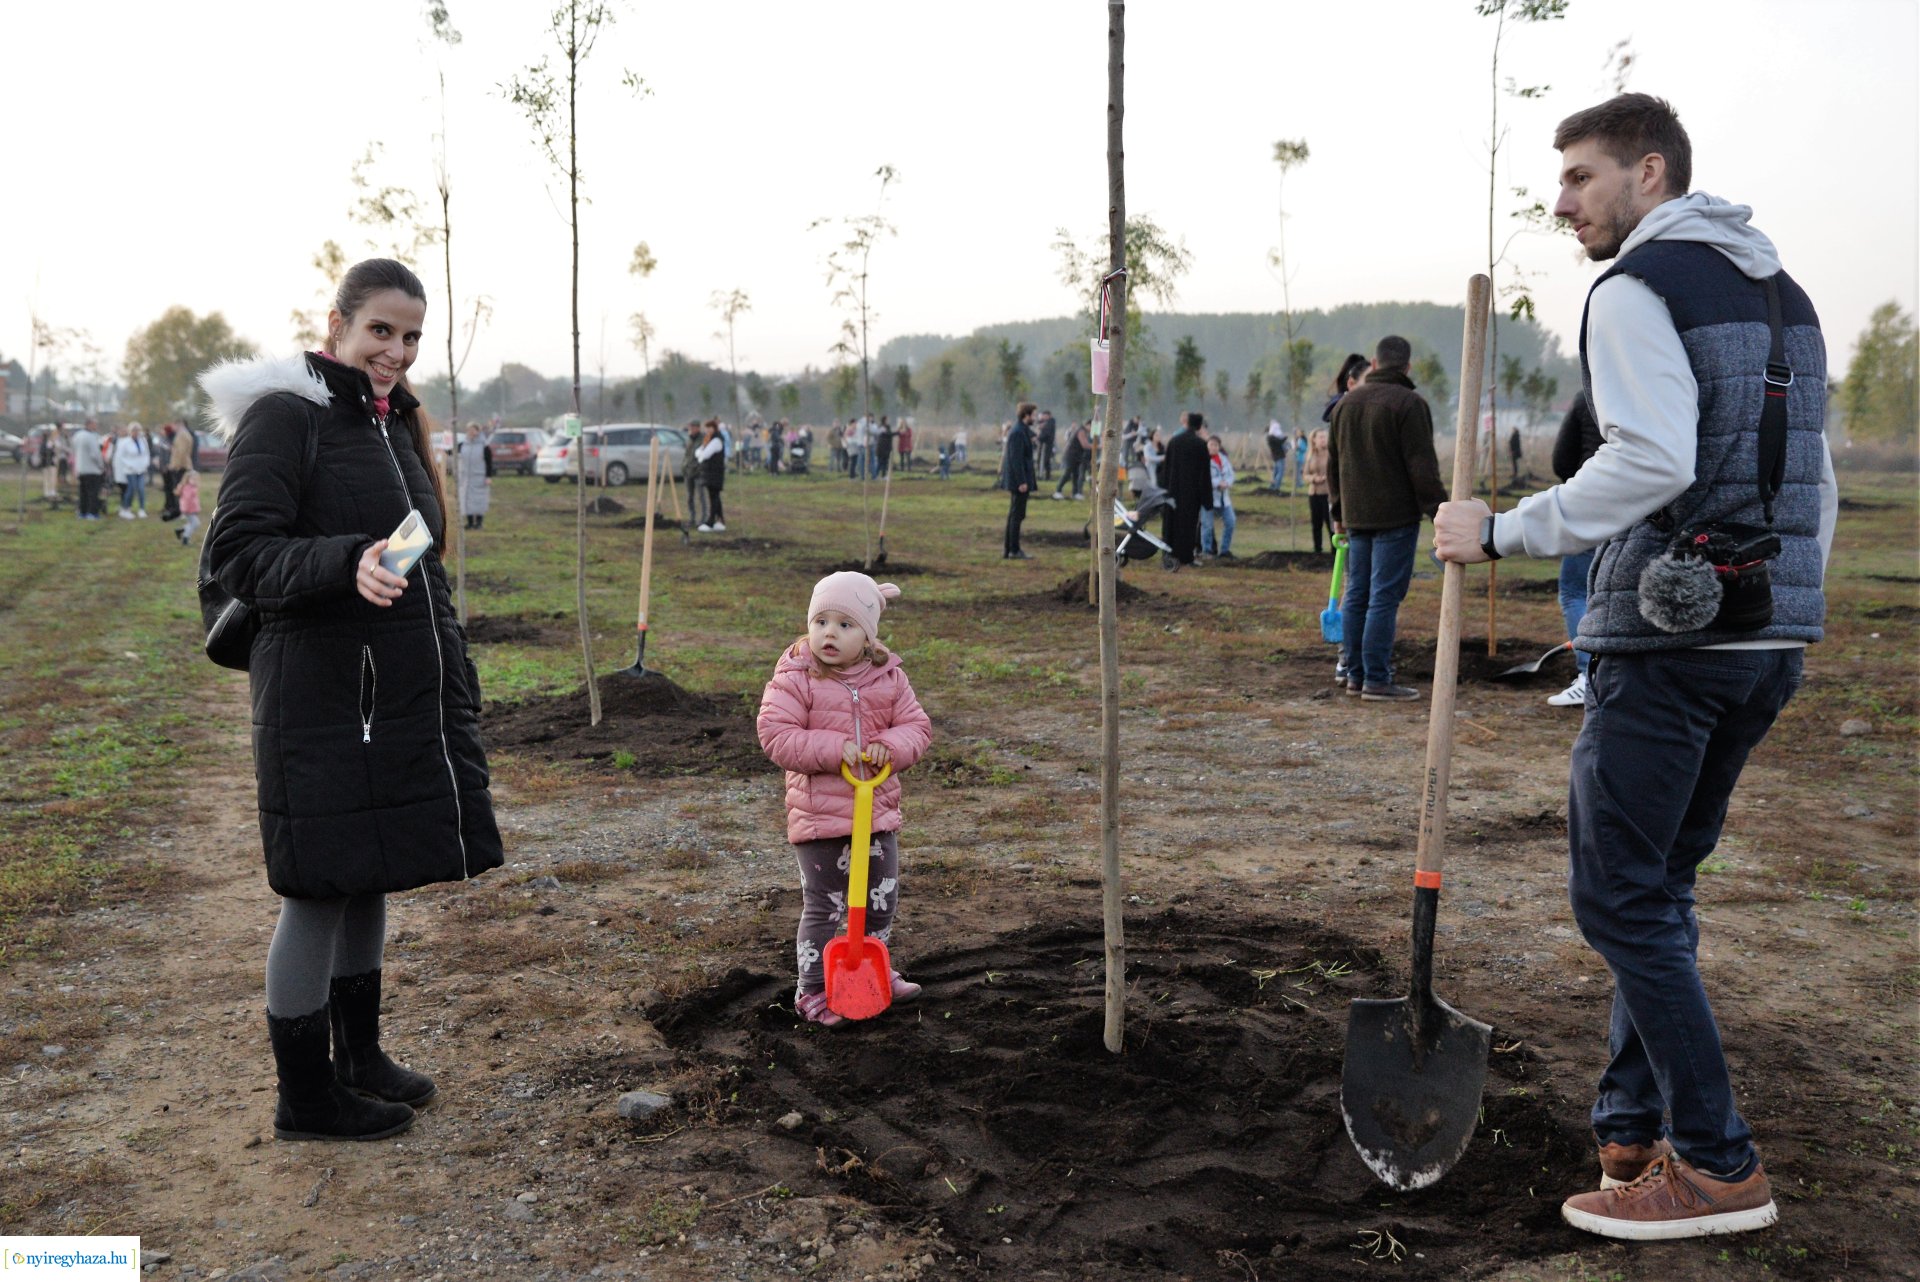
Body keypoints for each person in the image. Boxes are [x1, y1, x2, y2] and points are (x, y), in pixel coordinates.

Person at [1433, 94, 1836, 1242]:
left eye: (1580, 179)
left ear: (1648, 174)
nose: (1561, 204)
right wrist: (1790, 603)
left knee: (1620, 895)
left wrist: (1505, 530)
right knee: (1659, 892)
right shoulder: (1782, 292)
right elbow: (1812, 480)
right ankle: (1629, 1127)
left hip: (1674, 644)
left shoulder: (1637, 287)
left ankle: (1716, 1165)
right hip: (1766, 642)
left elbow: (1650, 456)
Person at [201, 256, 504, 1143]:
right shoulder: (283, 416)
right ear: (334, 324)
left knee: (366, 871)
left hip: (389, 691)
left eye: (412, 337)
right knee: (317, 888)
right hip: (318, 695)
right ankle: (306, 1095)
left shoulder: (388, 422)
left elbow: (422, 558)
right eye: (381, 330)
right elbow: (239, 556)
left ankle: (357, 1057)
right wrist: (345, 561)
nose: (397, 351)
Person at [755, 571, 933, 1026]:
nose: (829, 633)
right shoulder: (796, 675)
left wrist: (888, 747)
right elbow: (776, 734)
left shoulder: (888, 677)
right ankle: (812, 988)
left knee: (880, 898)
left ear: (869, 634)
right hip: (820, 818)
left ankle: (872, 964)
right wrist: (837, 752)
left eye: (845, 624)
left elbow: (917, 726)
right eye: (821, 621)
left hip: (876, 813)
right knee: (825, 904)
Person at [1327, 335, 1446, 700]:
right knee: (1383, 597)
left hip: (1357, 517)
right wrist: (1441, 511)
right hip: (1395, 517)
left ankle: (1355, 676)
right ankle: (1377, 679)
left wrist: (1337, 512)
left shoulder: (1344, 406)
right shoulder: (1410, 404)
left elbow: (1335, 466)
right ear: (1407, 368)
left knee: (1357, 595)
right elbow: (1421, 466)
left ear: (1374, 365)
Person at [1547, 392, 1604, 708]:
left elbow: (1561, 460)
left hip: (1592, 504)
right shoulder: (1652, 388)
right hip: (1646, 506)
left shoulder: (1587, 397)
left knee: (1575, 592)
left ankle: (1589, 675)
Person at [1160, 412, 1211, 569]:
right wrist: (1207, 499)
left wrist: (1163, 489)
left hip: (1172, 490)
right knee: (1188, 525)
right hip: (1191, 493)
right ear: (1199, 426)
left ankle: (1168, 553)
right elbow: (1204, 474)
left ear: (1187, 423)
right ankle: (1185, 556)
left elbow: (1166, 469)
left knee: (1171, 522)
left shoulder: (1174, 442)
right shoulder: (1201, 445)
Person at [1002, 402, 1037, 559]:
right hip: (1019, 482)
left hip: (1020, 480)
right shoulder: (1017, 432)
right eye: (1033, 415)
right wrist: (1022, 481)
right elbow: (1015, 460)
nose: (1035, 418)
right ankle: (1013, 550)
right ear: (1026, 415)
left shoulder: (1022, 430)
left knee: (1016, 515)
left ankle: (1010, 549)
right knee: (1016, 516)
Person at [1200, 432, 1237, 558]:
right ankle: (1207, 550)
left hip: (1223, 498)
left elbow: (1231, 474)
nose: (1213, 447)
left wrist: (1227, 483)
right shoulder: (1203, 460)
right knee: (1207, 525)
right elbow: (1202, 478)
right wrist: (1217, 483)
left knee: (1231, 521)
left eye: (1216, 445)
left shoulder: (1223, 459)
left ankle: (1224, 550)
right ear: (1207, 446)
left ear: (1219, 447)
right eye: (1211, 445)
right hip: (1209, 497)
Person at [456, 421, 493, 530]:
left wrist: (488, 477)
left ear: (478, 431)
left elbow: (489, 462)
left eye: (473, 430)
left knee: (479, 500)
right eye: (469, 430)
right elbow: (452, 451)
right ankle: (470, 522)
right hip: (466, 478)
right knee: (467, 500)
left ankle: (479, 523)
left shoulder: (484, 446)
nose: (471, 432)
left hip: (479, 477)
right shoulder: (463, 444)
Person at [113, 422, 152, 519]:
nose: (136, 432)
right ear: (130, 431)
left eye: (138, 430)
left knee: (141, 489)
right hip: (130, 470)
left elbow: (146, 454)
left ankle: (142, 509)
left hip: (141, 469)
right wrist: (130, 466)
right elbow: (121, 457)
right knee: (131, 489)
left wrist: (145, 464)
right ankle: (125, 508)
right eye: (134, 430)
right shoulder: (125, 442)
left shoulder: (143, 441)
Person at [695, 418, 728, 532]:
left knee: (714, 497)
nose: (708, 430)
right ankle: (720, 520)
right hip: (709, 473)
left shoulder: (716, 440)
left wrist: (700, 455)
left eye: (710, 428)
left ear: (714, 428)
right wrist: (700, 454)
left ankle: (711, 521)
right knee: (714, 496)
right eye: (707, 428)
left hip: (715, 473)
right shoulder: (708, 440)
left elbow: (705, 455)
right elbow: (698, 452)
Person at [1304, 428, 1332, 554]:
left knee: (1330, 522)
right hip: (1314, 493)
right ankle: (1317, 550)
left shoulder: (1331, 454)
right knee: (1316, 523)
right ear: (1314, 440)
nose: (1323, 439)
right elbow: (1305, 474)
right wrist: (1313, 478)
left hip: (1328, 493)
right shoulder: (1310, 455)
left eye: (1324, 436)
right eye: (1320, 437)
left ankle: (1335, 550)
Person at [70, 420, 104, 520]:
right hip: (92, 469)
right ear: (89, 425)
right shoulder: (91, 437)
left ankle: (82, 512)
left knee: (83, 492)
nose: (96, 426)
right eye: (95, 424)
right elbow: (95, 454)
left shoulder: (77, 436)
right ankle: (92, 513)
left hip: (81, 468)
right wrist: (101, 465)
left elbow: (74, 450)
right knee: (93, 492)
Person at [1052, 419, 1092, 500]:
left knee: (1076, 475)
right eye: (1091, 426)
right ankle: (1058, 491)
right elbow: (1084, 444)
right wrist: (1097, 446)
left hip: (1078, 456)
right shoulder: (1081, 431)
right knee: (1067, 474)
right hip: (1071, 455)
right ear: (1088, 425)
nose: (1091, 429)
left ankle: (1075, 493)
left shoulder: (1085, 431)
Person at [175, 468, 202, 547]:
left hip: (191, 509)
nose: (194, 480)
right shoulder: (188, 488)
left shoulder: (192, 487)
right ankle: (185, 538)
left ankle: (181, 530)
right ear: (187, 479)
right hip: (188, 510)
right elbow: (187, 500)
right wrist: (187, 510)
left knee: (193, 523)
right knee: (196, 523)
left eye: (196, 479)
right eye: (192, 479)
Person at [1265, 419, 1288, 491]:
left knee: (1276, 471)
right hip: (1279, 456)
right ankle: (1276, 487)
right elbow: (1280, 442)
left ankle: (1272, 485)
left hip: (1276, 456)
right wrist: (1285, 437)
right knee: (1280, 472)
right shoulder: (1271, 438)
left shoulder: (1270, 437)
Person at [1036, 410, 1057, 481]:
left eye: (1045, 416)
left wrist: (1038, 438)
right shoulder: (1047, 422)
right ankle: (1041, 474)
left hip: (1047, 443)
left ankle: (1046, 475)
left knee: (1045, 460)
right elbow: (1039, 424)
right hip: (1043, 443)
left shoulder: (1051, 422)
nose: (1044, 417)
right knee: (1041, 460)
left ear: (1049, 415)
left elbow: (1046, 433)